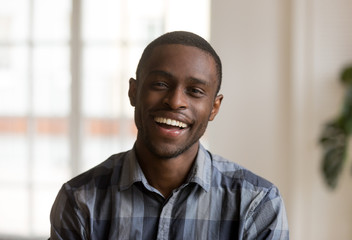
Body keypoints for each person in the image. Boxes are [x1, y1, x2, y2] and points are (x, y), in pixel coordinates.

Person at [50, 31, 289, 240]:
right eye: (160, 84)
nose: (175, 102)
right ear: (133, 92)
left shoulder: (256, 203)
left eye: (195, 91)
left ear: (214, 107)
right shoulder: (80, 199)